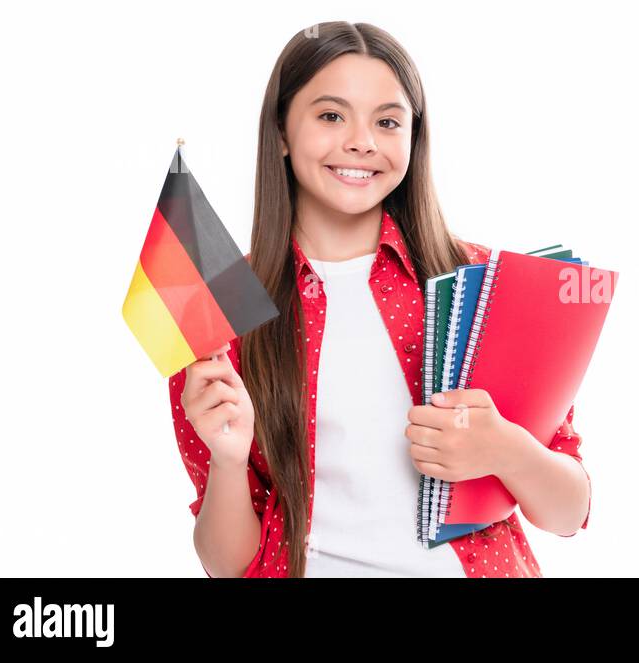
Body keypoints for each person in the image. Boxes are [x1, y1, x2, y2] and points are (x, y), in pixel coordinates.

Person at [169, 21, 591, 578]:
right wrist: (227, 460)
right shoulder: (219, 310)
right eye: (330, 115)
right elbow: (228, 566)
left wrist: (505, 450)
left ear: (413, 139)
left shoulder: (481, 283)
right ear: (280, 131)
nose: (361, 141)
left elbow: (569, 512)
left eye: (387, 121)